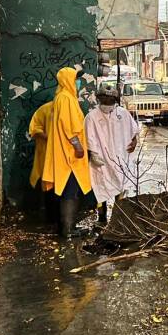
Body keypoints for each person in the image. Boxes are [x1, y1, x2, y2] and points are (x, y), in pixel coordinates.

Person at [42, 67, 93, 237]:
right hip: (69, 154)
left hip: (65, 152)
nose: (78, 82)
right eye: (75, 79)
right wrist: (78, 147)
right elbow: (68, 126)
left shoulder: (64, 97)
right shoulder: (65, 99)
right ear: (68, 80)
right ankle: (68, 230)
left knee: (66, 190)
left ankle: (66, 227)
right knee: (70, 191)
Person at [85, 83, 140, 227]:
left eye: (110, 101)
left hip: (121, 156)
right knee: (100, 187)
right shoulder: (92, 117)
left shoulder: (123, 113)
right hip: (101, 159)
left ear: (115, 100)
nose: (107, 104)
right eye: (104, 101)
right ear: (99, 99)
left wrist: (134, 142)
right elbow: (89, 137)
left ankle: (118, 217)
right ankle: (102, 217)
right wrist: (94, 154)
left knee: (121, 186)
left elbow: (134, 131)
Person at [28, 101, 56, 221]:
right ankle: (50, 219)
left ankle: (62, 221)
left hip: (65, 158)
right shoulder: (45, 109)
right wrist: (49, 138)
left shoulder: (72, 110)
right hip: (47, 154)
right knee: (49, 187)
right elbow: (35, 129)